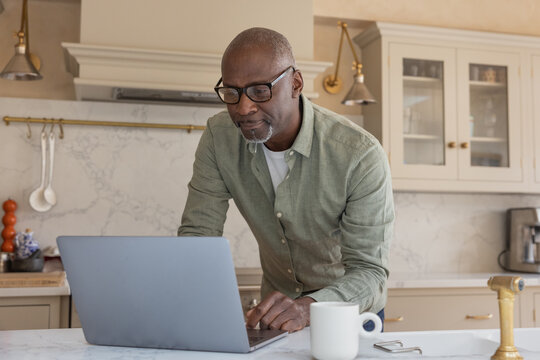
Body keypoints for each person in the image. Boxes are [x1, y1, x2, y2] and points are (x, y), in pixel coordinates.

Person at [178, 27, 394, 333]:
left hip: (347, 314)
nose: (243, 108)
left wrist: (306, 310)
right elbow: (198, 237)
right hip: (273, 318)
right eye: (232, 92)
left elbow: (371, 273)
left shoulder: (359, 154)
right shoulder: (219, 138)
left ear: (295, 83)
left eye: (260, 91)